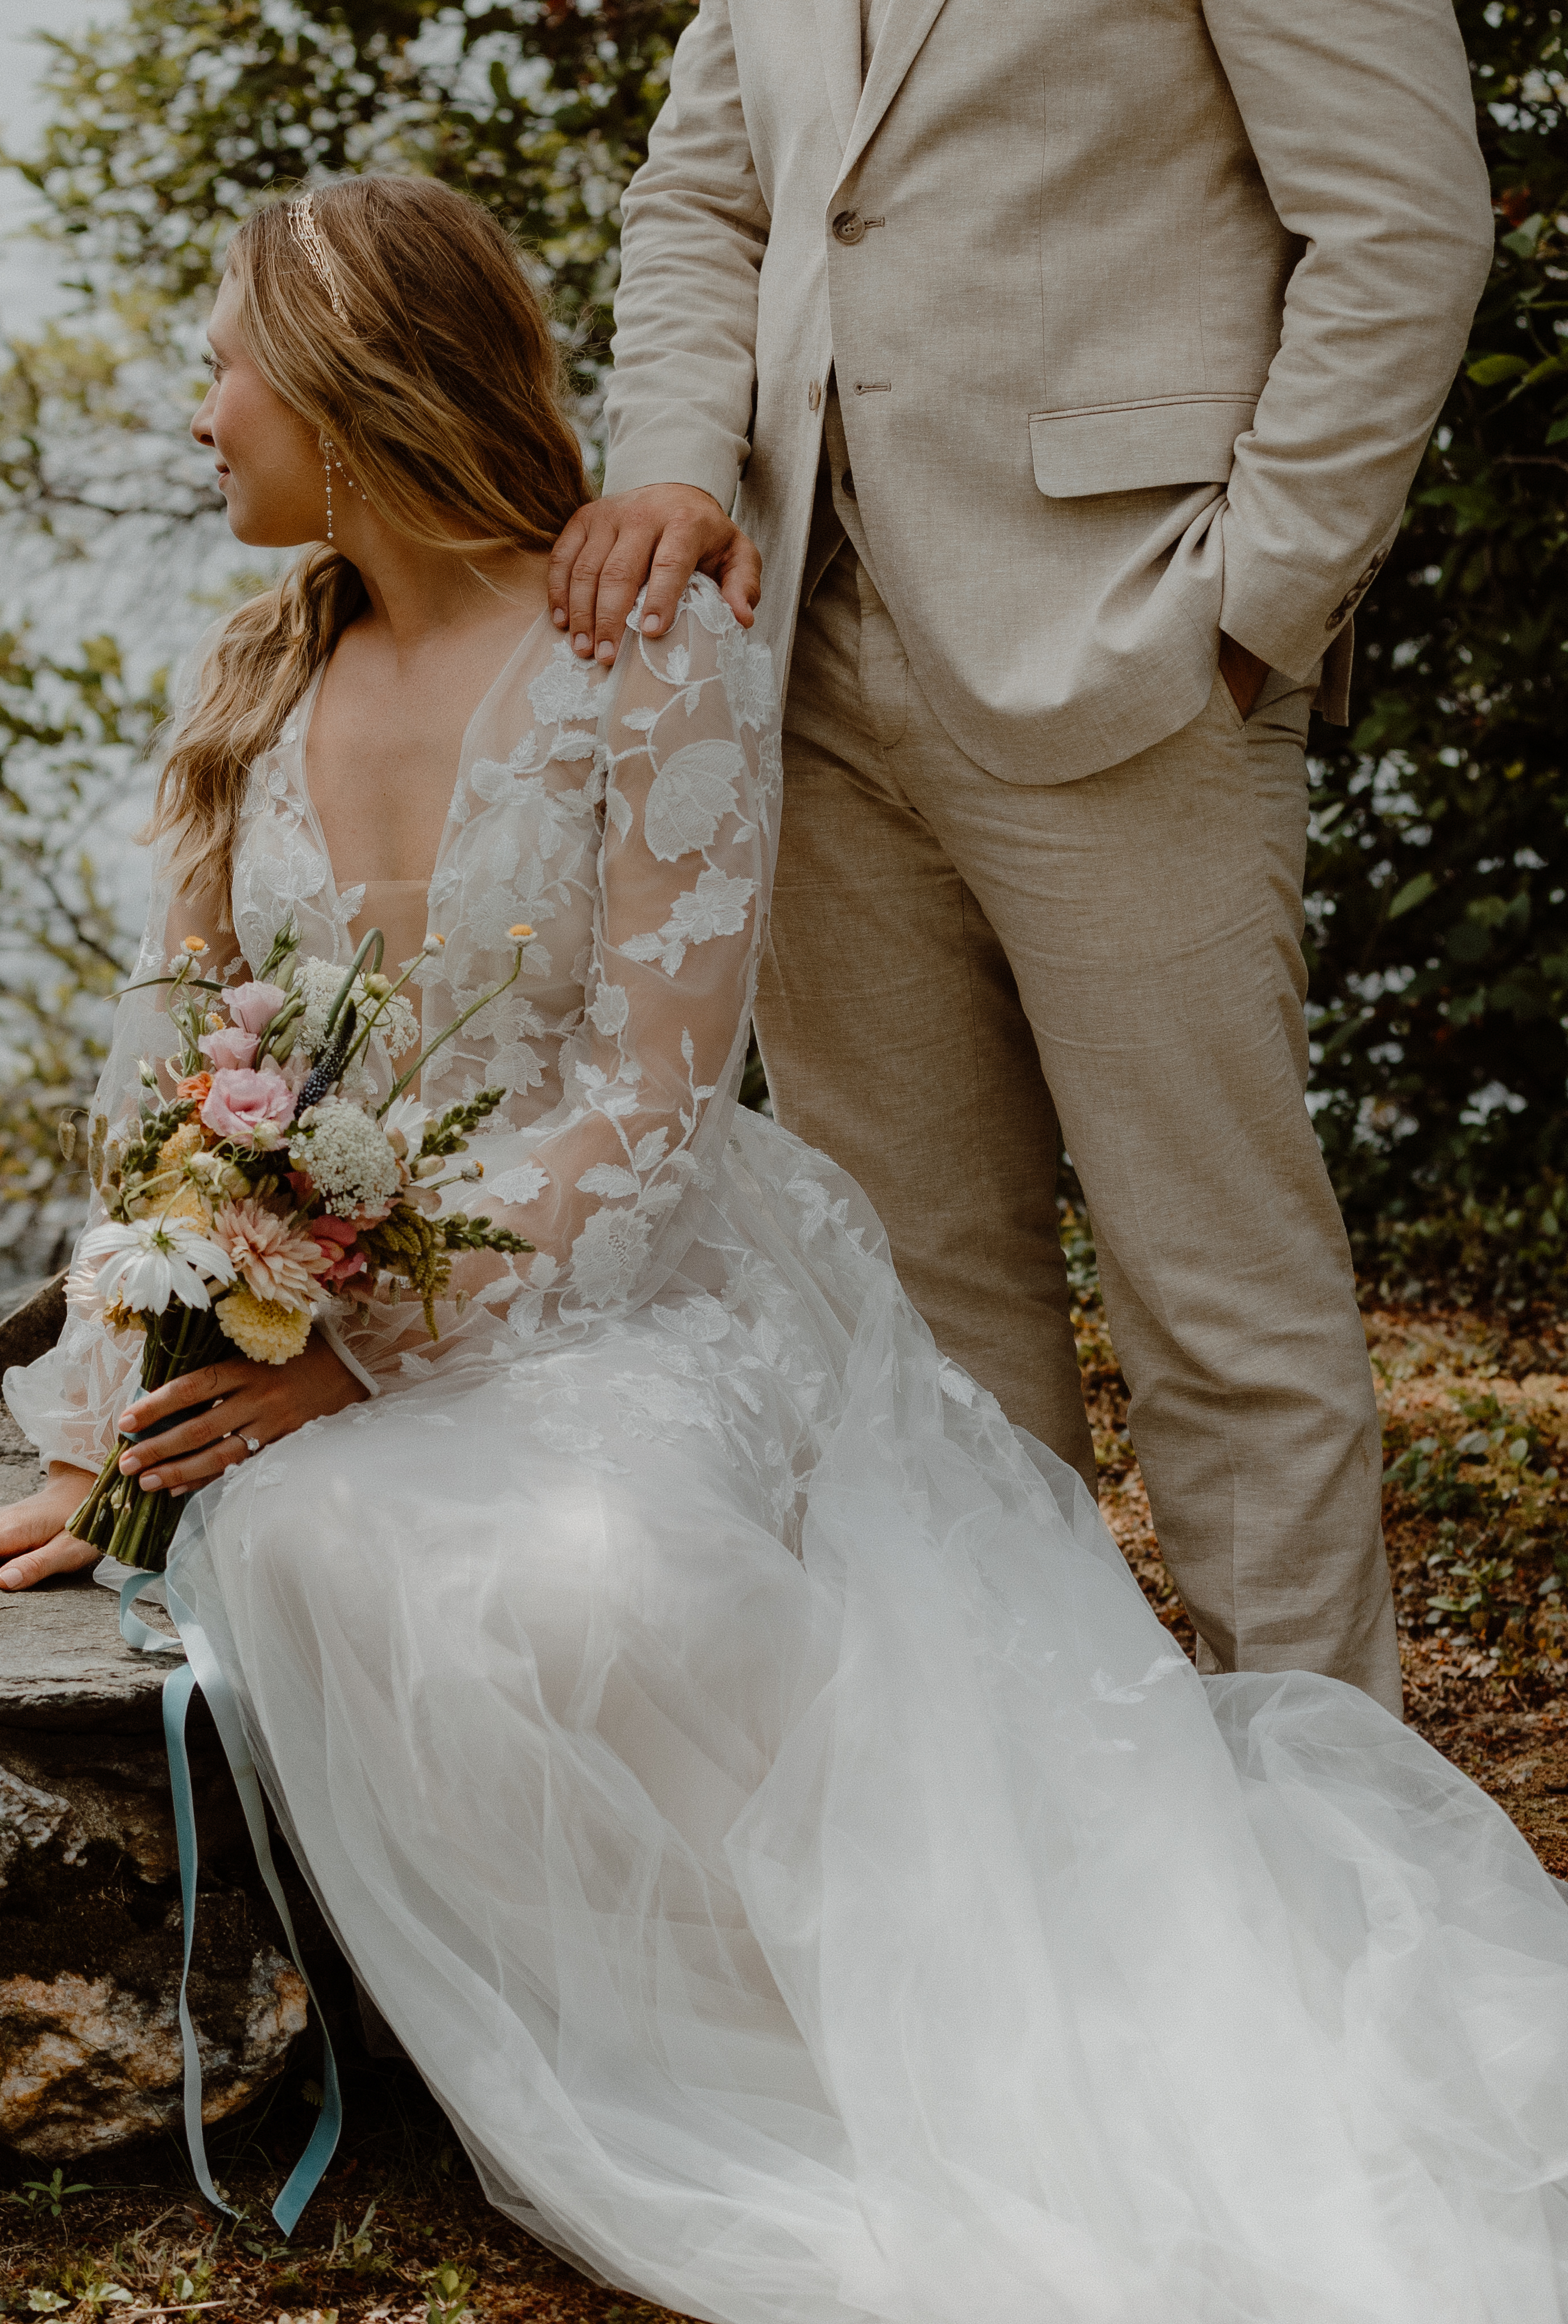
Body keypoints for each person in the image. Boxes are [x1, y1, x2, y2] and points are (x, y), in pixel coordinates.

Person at [0, 174, 1568, 2324]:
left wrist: (361, 1346)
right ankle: (726, 2062)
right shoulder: (253, 678)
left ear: (354, 391)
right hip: (325, 1331)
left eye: (227, 364)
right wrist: (112, 1430)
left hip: (628, 1293)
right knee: (358, 1558)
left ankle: (977, 2044)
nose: (197, 411)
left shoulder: (635, 665)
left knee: (602, 1575)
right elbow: (174, 1091)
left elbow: (648, 1110)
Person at [545, 0, 1500, 1709]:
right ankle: (1043, 1829)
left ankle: (1322, 1842)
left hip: (1133, 639)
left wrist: (1255, 607)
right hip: (799, 653)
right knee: (915, 1313)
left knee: (1219, 1300)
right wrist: (684, 460)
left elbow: (1406, 221)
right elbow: (706, 197)